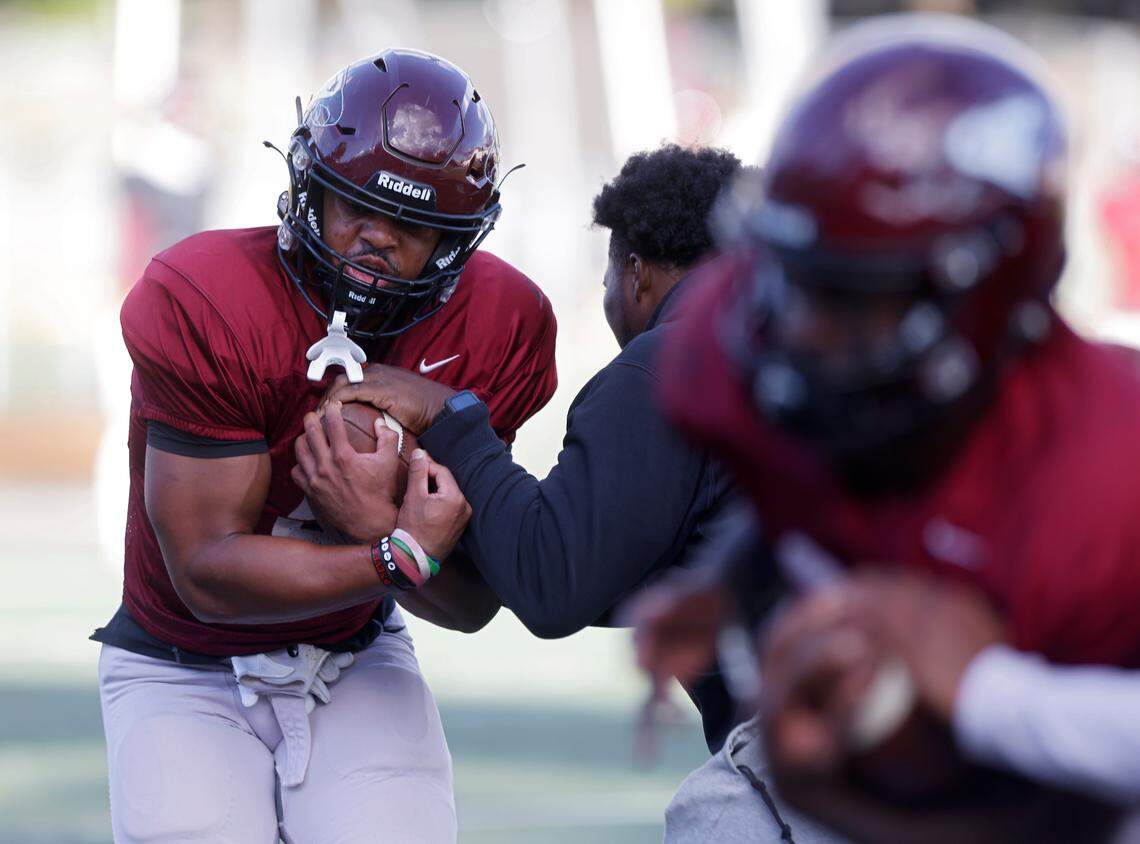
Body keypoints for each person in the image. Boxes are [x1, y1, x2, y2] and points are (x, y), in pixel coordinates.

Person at [631, 16, 1140, 844]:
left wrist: (986, 691)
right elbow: (811, 473)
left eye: (855, 301)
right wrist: (728, 581)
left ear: (988, 297)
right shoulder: (729, 358)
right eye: (798, 283)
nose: (803, 335)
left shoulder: (1110, 469)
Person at [91, 49, 557, 843]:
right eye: (351, 207)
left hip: (356, 652)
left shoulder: (501, 321)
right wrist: (393, 554)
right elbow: (206, 575)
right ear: (308, 189)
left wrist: (390, 518)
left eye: (410, 224)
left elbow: (472, 601)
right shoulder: (206, 296)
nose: (372, 241)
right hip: (180, 658)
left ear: (455, 238)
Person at [299, 144, 751, 750]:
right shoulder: (788, 340)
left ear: (636, 272)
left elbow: (553, 583)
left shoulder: (667, 366)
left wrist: (447, 416)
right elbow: (634, 564)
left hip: (809, 752)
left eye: (608, 278)